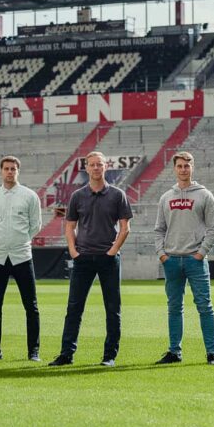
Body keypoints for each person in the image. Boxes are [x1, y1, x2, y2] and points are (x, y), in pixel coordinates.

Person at [49, 151, 132, 367]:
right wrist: (74, 251)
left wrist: (112, 251)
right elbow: (69, 227)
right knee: (74, 307)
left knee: (113, 308)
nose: (96, 168)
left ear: (106, 167)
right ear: (86, 168)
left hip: (108, 258)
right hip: (83, 258)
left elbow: (125, 228)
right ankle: (66, 354)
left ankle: (109, 356)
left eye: (100, 164)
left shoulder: (117, 195)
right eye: (92, 165)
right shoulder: (77, 196)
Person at [154, 150, 214, 366]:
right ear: (174, 169)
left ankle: (212, 353)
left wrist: (200, 253)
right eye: (180, 166)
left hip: (195, 260)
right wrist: (162, 254)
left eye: (187, 165)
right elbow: (158, 230)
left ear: (193, 168)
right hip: (171, 260)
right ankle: (174, 351)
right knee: (174, 307)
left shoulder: (204, 195)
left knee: (204, 306)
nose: (183, 169)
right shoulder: (166, 197)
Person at [0, 155, 43, 363]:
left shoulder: (29, 196)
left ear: (18, 171)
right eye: (6, 168)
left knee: (31, 305)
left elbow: (36, 225)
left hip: (22, 255)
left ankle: (33, 351)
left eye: (13, 169)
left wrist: (20, 240)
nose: (9, 172)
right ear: (1, 171)